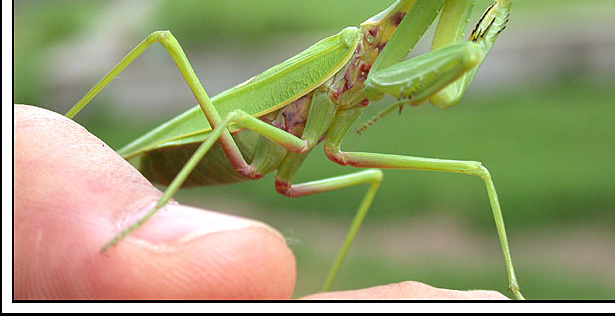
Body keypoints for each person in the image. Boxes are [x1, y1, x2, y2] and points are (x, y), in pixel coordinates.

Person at [14, 104, 507, 300]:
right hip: (223, 140)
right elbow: (237, 121)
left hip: (260, 150)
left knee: (375, 178)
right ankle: (67, 124)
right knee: (174, 50)